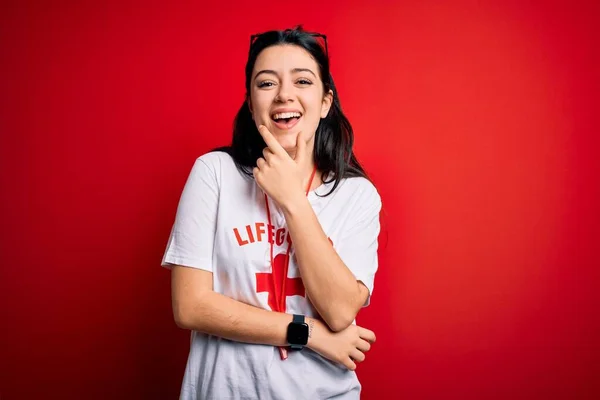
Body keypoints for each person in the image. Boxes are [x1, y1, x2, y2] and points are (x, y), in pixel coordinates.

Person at [161, 26, 382, 400]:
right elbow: (190, 306)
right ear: (251, 103)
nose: (284, 95)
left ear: (326, 102)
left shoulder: (356, 195)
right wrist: (306, 332)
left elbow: (341, 311)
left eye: (302, 81)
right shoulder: (214, 172)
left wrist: (293, 200)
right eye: (266, 84)